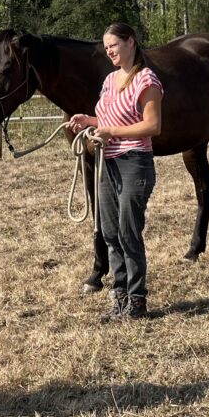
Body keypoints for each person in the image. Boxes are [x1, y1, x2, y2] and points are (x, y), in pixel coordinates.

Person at [67, 23, 163, 322]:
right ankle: (119, 297)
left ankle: (137, 301)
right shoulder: (109, 80)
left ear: (130, 42)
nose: (109, 51)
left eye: (114, 45)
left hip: (134, 161)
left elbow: (152, 125)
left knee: (128, 232)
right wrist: (89, 120)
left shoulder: (146, 80)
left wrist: (111, 132)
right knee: (109, 232)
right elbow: (107, 118)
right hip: (107, 162)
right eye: (106, 47)